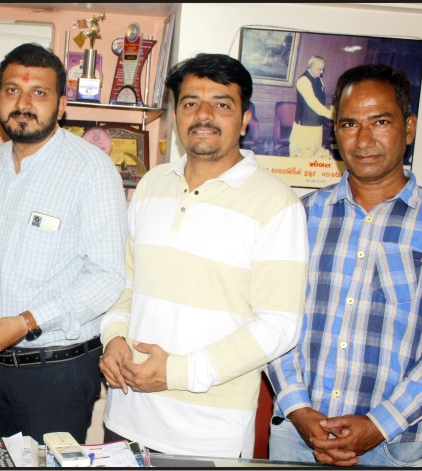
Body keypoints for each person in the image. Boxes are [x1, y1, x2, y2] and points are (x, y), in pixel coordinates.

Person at [98, 53, 308, 457]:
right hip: (125, 419)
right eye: (191, 102)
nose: (204, 115)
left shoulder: (277, 204)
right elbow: (124, 283)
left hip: (209, 438)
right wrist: (114, 339)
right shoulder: (151, 185)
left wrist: (177, 372)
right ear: (177, 115)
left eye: (222, 104)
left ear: (245, 120)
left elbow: (279, 326)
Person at [266, 64, 422, 467]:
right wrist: (298, 407)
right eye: (349, 124)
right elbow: (273, 317)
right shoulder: (300, 216)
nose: (363, 140)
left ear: (408, 128)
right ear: (335, 133)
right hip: (297, 436)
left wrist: (379, 424)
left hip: (393, 445)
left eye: (380, 121)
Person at [0, 43, 127, 443]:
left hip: (54, 375)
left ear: (62, 105)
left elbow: (108, 277)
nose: (23, 103)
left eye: (38, 93)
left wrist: (27, 322)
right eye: (12, 90)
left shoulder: (91, 169)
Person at [289, 55, 334, 158]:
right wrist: (331, 114)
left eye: (323, 69)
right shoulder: (303, 81)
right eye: (320, 69)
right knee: (303, 153)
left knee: (315, 153)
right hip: (305, 125)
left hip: (317, 123)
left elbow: (321, 101)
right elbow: (314, 103)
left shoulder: (319, 80)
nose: (322, 72)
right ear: (311, 65)